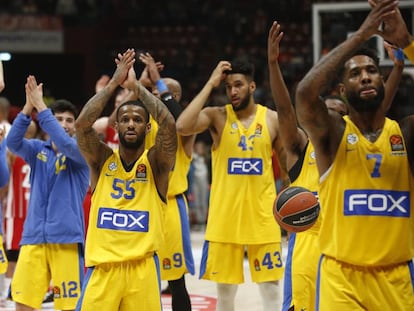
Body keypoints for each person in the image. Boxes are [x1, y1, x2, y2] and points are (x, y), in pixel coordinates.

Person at [267, 19, 405, 311]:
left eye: (337, 112)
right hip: (315, 245)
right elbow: (287, 108)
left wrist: (401, 63)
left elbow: (379, 110)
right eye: (325, 109)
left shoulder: (377, 137)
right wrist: (274, 65)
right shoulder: (306, 146)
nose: (329, 114)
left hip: (376, 256)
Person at [176, 58, 285, 311]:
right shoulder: (217, 116)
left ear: (252, 86)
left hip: (262, 218)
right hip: (224, 221)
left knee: (270, 291)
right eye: (227, 87)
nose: (233, 91)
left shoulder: (272, 119)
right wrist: (211, 83)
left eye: (238, 85)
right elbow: (182, 126)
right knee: (225, 297)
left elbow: (288, 171)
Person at [75, 49, 177, 310]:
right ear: (116, 126)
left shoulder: (156, 163)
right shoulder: (101, 159)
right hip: (103, 269)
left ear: (147, 126)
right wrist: (113, 83)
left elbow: (168, 126)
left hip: (141, 270)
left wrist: (136, 87)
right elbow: (82, 125)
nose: (131, 124)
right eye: (125, 119)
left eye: (137, 119)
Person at [6, 76, 89, 311]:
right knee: (23, 303)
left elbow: (64, 142)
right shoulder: (36, 149)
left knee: (68, 306)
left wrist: (43, 108)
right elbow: (13, 142)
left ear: (75, 126)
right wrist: (27, 107)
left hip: (66, 240)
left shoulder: (80, 152)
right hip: (33, 237)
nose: (64, 124)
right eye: (59, 119)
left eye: (69, 120)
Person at [139, 51, 195, 311]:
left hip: (171, 207)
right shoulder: (144, 121)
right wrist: (141, 83)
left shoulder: (185, 126)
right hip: (144, 203)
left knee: (175, 280)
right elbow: (123, 107)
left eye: (162, 92)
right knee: (141, 275)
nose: (156, 95)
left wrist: (158, 81)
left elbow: (175, 113)